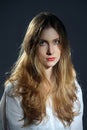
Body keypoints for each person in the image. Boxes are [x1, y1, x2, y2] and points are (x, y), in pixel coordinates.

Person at [0, 12, 83, 130]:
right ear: (32, 46)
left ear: (63, 46)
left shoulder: (73, 89)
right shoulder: (16, 92)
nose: (50, 51)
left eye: (56, 42)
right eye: (43, 43)